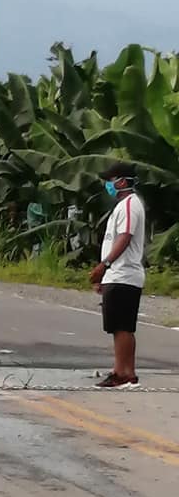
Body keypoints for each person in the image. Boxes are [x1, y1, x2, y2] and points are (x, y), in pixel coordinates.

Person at [90, 161, 145, 389]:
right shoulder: (122, 206)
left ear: (121, 182)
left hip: (124, 274)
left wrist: (104, 265)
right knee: (118, 326)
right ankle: (121, 370)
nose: (108, 185)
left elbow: (125, 237)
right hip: (116, 274)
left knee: (122, 326)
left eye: (110, 180)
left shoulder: (130, 204)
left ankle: (124, 373)